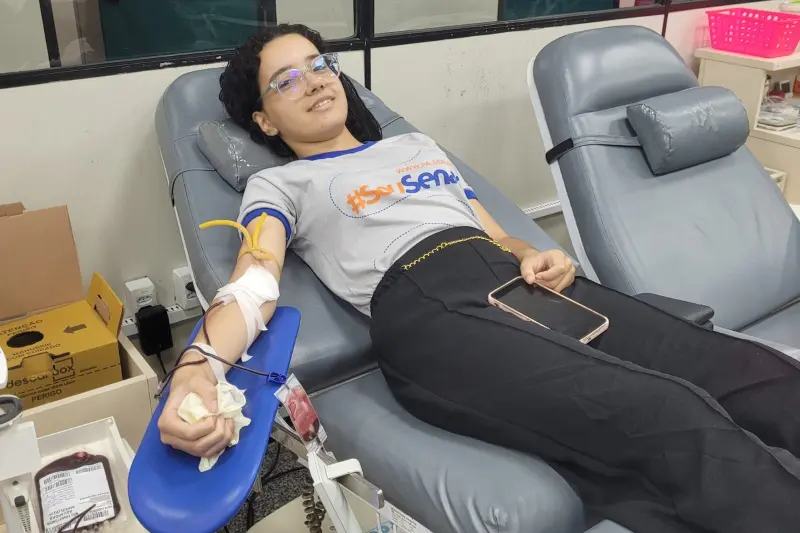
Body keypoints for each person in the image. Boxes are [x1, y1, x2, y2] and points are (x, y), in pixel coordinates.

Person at [156, 24, 800, 533]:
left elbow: (493, 233)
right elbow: (256, 279)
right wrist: (195, 371)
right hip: (426, 307)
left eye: (319, 64)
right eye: (286, 80)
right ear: (265, 121)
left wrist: (534, 253)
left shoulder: (415, 147)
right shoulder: (279, 184)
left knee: (741, 367)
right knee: (666, 412)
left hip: (513, 280)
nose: (314, 81)